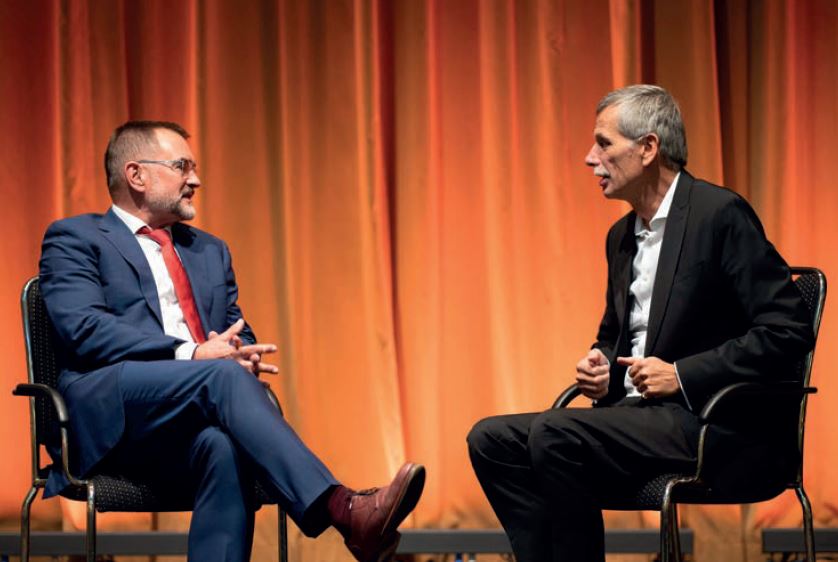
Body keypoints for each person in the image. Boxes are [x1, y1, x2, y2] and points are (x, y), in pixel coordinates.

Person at [38, 120, 425, 562]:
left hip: (191, 413)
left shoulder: (209, 251)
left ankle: (346, 516)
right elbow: (84, 328)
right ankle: (346, 511)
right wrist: (194, 354)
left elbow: (236, 331)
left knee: (224, 447)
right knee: (218, 377)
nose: (195, 180)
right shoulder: (77, 238)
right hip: (111, 409)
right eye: (182, 166)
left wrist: (240, 356)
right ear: (136, 175)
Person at [466, 85, 814, 562]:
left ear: (648, 148)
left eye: (604, 143)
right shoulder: (620, 238)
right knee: (491, 440)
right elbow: (614, 340)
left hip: (716, 425)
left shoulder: (719, 216)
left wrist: (682, 375)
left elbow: (787, 330)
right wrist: (602, 369)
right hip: (639, 421)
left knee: (555, 433)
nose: (590, 158)